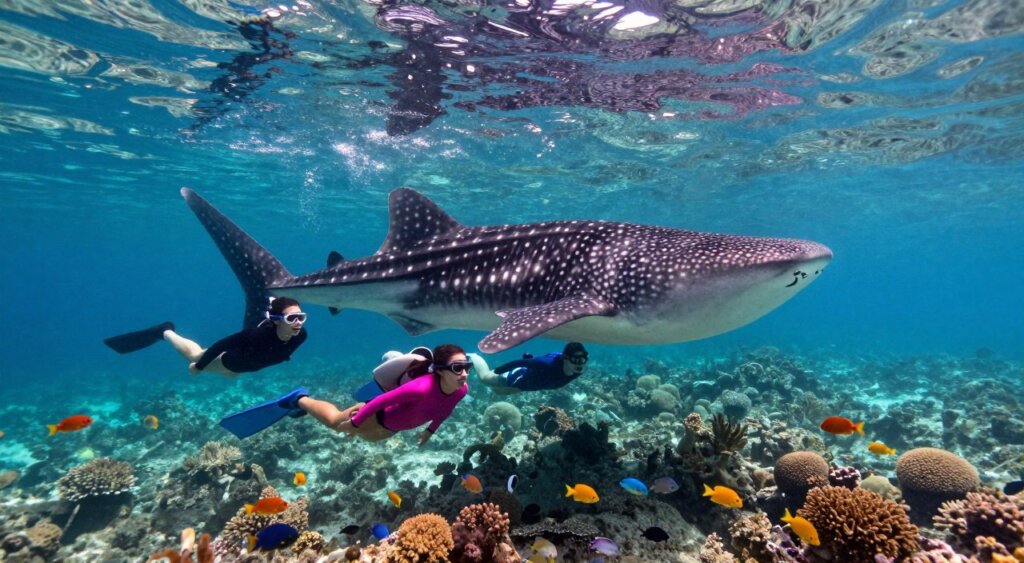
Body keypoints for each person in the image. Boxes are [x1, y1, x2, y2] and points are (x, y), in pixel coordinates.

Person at [219, 344, 470, 444]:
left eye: (467, 367)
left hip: (388, 430)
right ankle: (299, 399)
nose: (465, 373)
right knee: (336, 423)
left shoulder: (461, 390)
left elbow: (445, 410)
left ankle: (305, 405)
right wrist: (355, 423)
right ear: (439, 370)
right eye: (458, 368)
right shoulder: (421, 387)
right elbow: (381, 400)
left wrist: (430, 431)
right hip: (373, 415)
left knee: (359, 437)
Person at [103, 297, 308, 377]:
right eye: (292, 318)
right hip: (233, 361)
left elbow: (280, 351)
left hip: (250, 365)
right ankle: (165, 331)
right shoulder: (256, 335)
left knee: (231, 377)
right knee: (196, 355)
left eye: (301, 317)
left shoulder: (301, 336)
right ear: (277, 319)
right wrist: (199, 367)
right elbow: (220, 345)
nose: (298, 322)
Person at [473, 342, 588, 396]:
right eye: (576, 360)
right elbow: (519, 362)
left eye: (583, 360)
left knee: (499, 392)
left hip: (529, 385)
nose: (580, 364)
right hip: (519, 376)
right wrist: (499, 370)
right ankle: (474, 356)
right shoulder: (546, 364)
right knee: (484, 378)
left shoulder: (578, 370)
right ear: (565, 358)